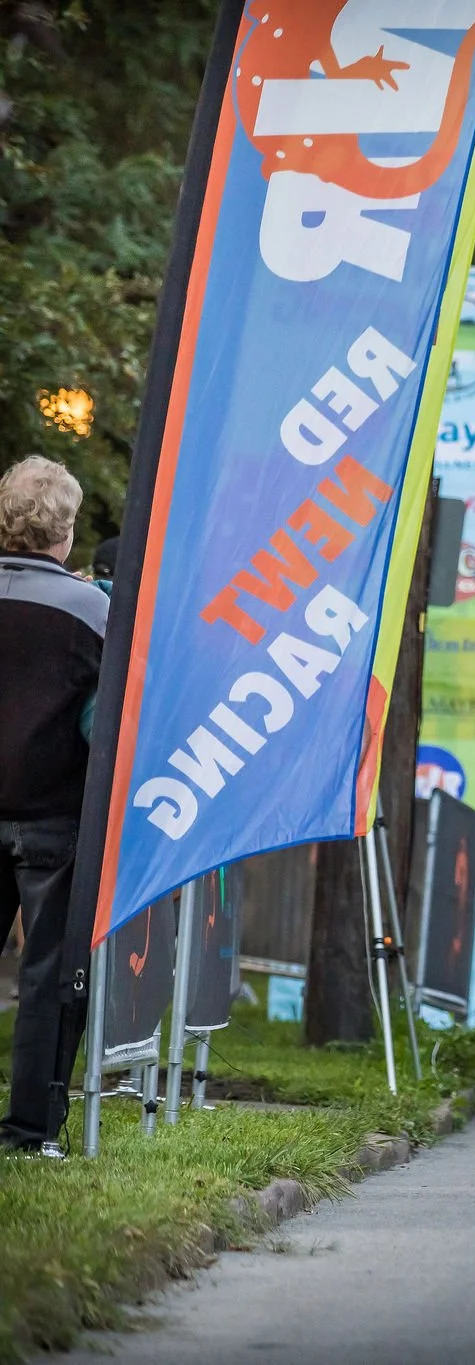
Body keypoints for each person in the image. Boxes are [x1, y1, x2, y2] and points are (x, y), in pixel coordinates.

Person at [0, 457, 106, 1156]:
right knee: (46, 974)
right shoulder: (95, 611)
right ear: (65, 532)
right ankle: (30, 1129)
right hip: (53, 814)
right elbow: (109, 718)